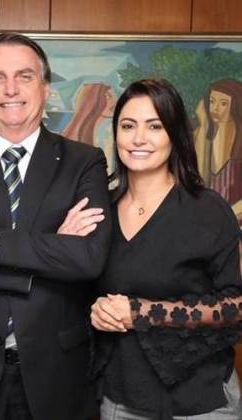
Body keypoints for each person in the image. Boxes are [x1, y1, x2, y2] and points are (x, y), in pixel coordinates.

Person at [0, 32, 112, 420]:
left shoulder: (84, 162)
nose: (10, 89)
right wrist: (46, 253)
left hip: (56, 374)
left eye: (24, 76)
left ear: (45, 89)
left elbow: (88, 259)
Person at [91, 78, 242, 419]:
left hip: (200, 401)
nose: (138, 138)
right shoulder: (99, 210)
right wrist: (95, 309)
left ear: (174, 134)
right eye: (128, 126)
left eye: (154, 126)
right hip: (120, 398)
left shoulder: (208, 210)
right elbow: (80, 287)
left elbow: (236, 305)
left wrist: (145, 312)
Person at [194, 79, 242, 220]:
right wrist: (203, 127)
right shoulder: (202, 137)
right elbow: (198, 182)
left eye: (223, 104)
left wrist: (224, 218)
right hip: (205, 219)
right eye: (212, 101)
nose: (215, 108)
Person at [62, 82, 116, 173]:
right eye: (108, 96)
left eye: (114, 96)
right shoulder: (70, 143)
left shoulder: (109, 134)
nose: (114, 101)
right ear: (91, 101)